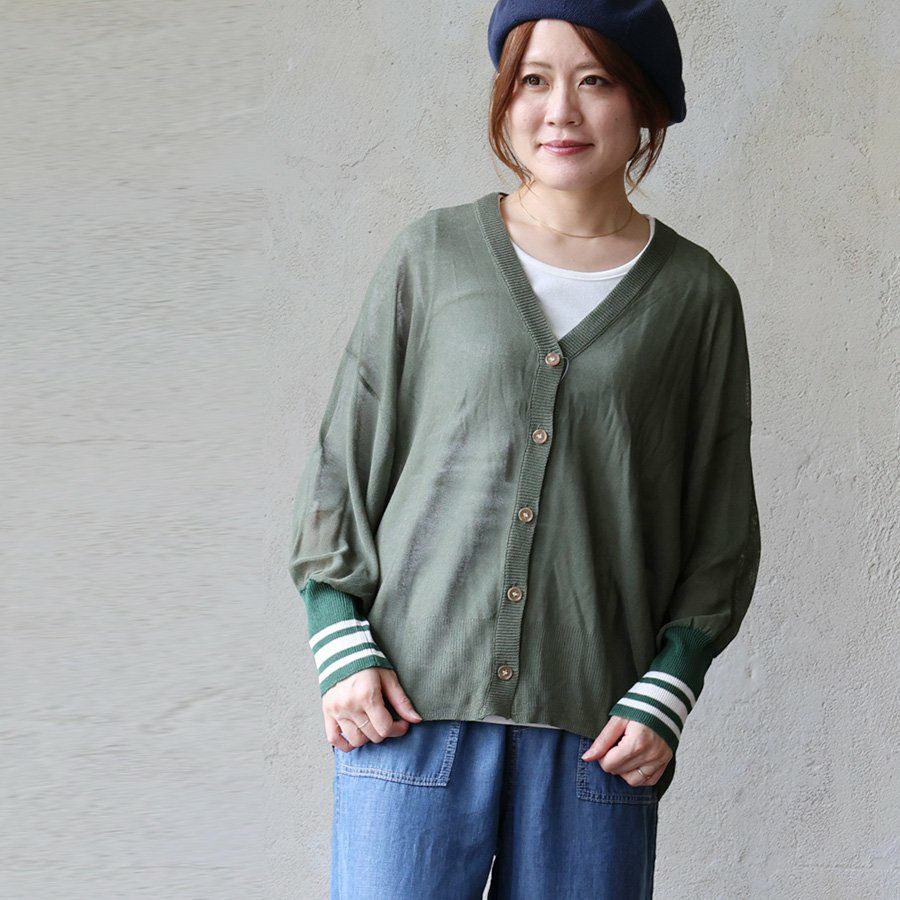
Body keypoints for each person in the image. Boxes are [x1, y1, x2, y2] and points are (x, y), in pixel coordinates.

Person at [287, 2, 762, 897]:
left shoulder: (696, 296)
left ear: (644, 101)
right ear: (506, 99)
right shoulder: (430, 257)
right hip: (408, 711)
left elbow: (720, 520)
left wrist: (671, 683)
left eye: (596, 80)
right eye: (533, 81)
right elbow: (343, 467)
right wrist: (338, 639)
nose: (560, 111)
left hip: (597, 734)